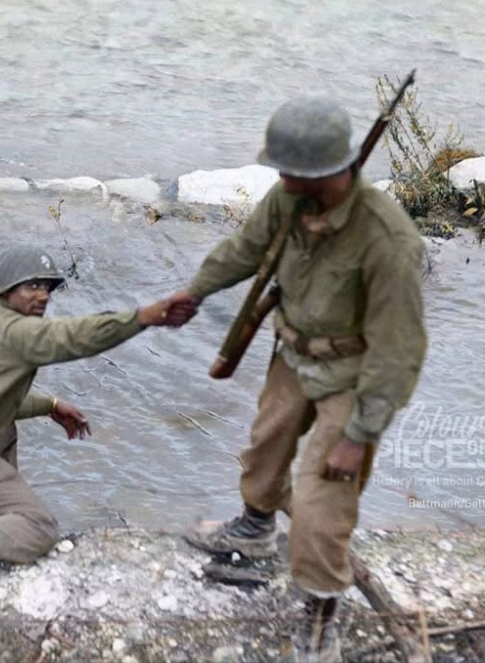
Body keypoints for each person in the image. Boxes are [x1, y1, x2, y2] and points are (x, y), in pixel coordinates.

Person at [178, 97, 427, 662]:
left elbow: (400, 351)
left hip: (354, 375)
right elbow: (244, 250)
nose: (280, 179)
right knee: (266, 447)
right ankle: (255, 527)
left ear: (327, 171)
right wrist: (195, 292)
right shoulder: (290, 197)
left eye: (290, 170)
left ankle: (320, 608)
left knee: (323, 499)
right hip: (292, 354)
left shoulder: (387, 240)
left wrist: (359, 435)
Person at [0, 244, 197, 610]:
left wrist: (50, 405)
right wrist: (144, 317)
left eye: (48, 288)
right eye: (32, 286)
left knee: (2, 508)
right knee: (37, 527)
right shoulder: (12, 329)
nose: (42, 295)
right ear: (6, 289)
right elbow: (72, 338)